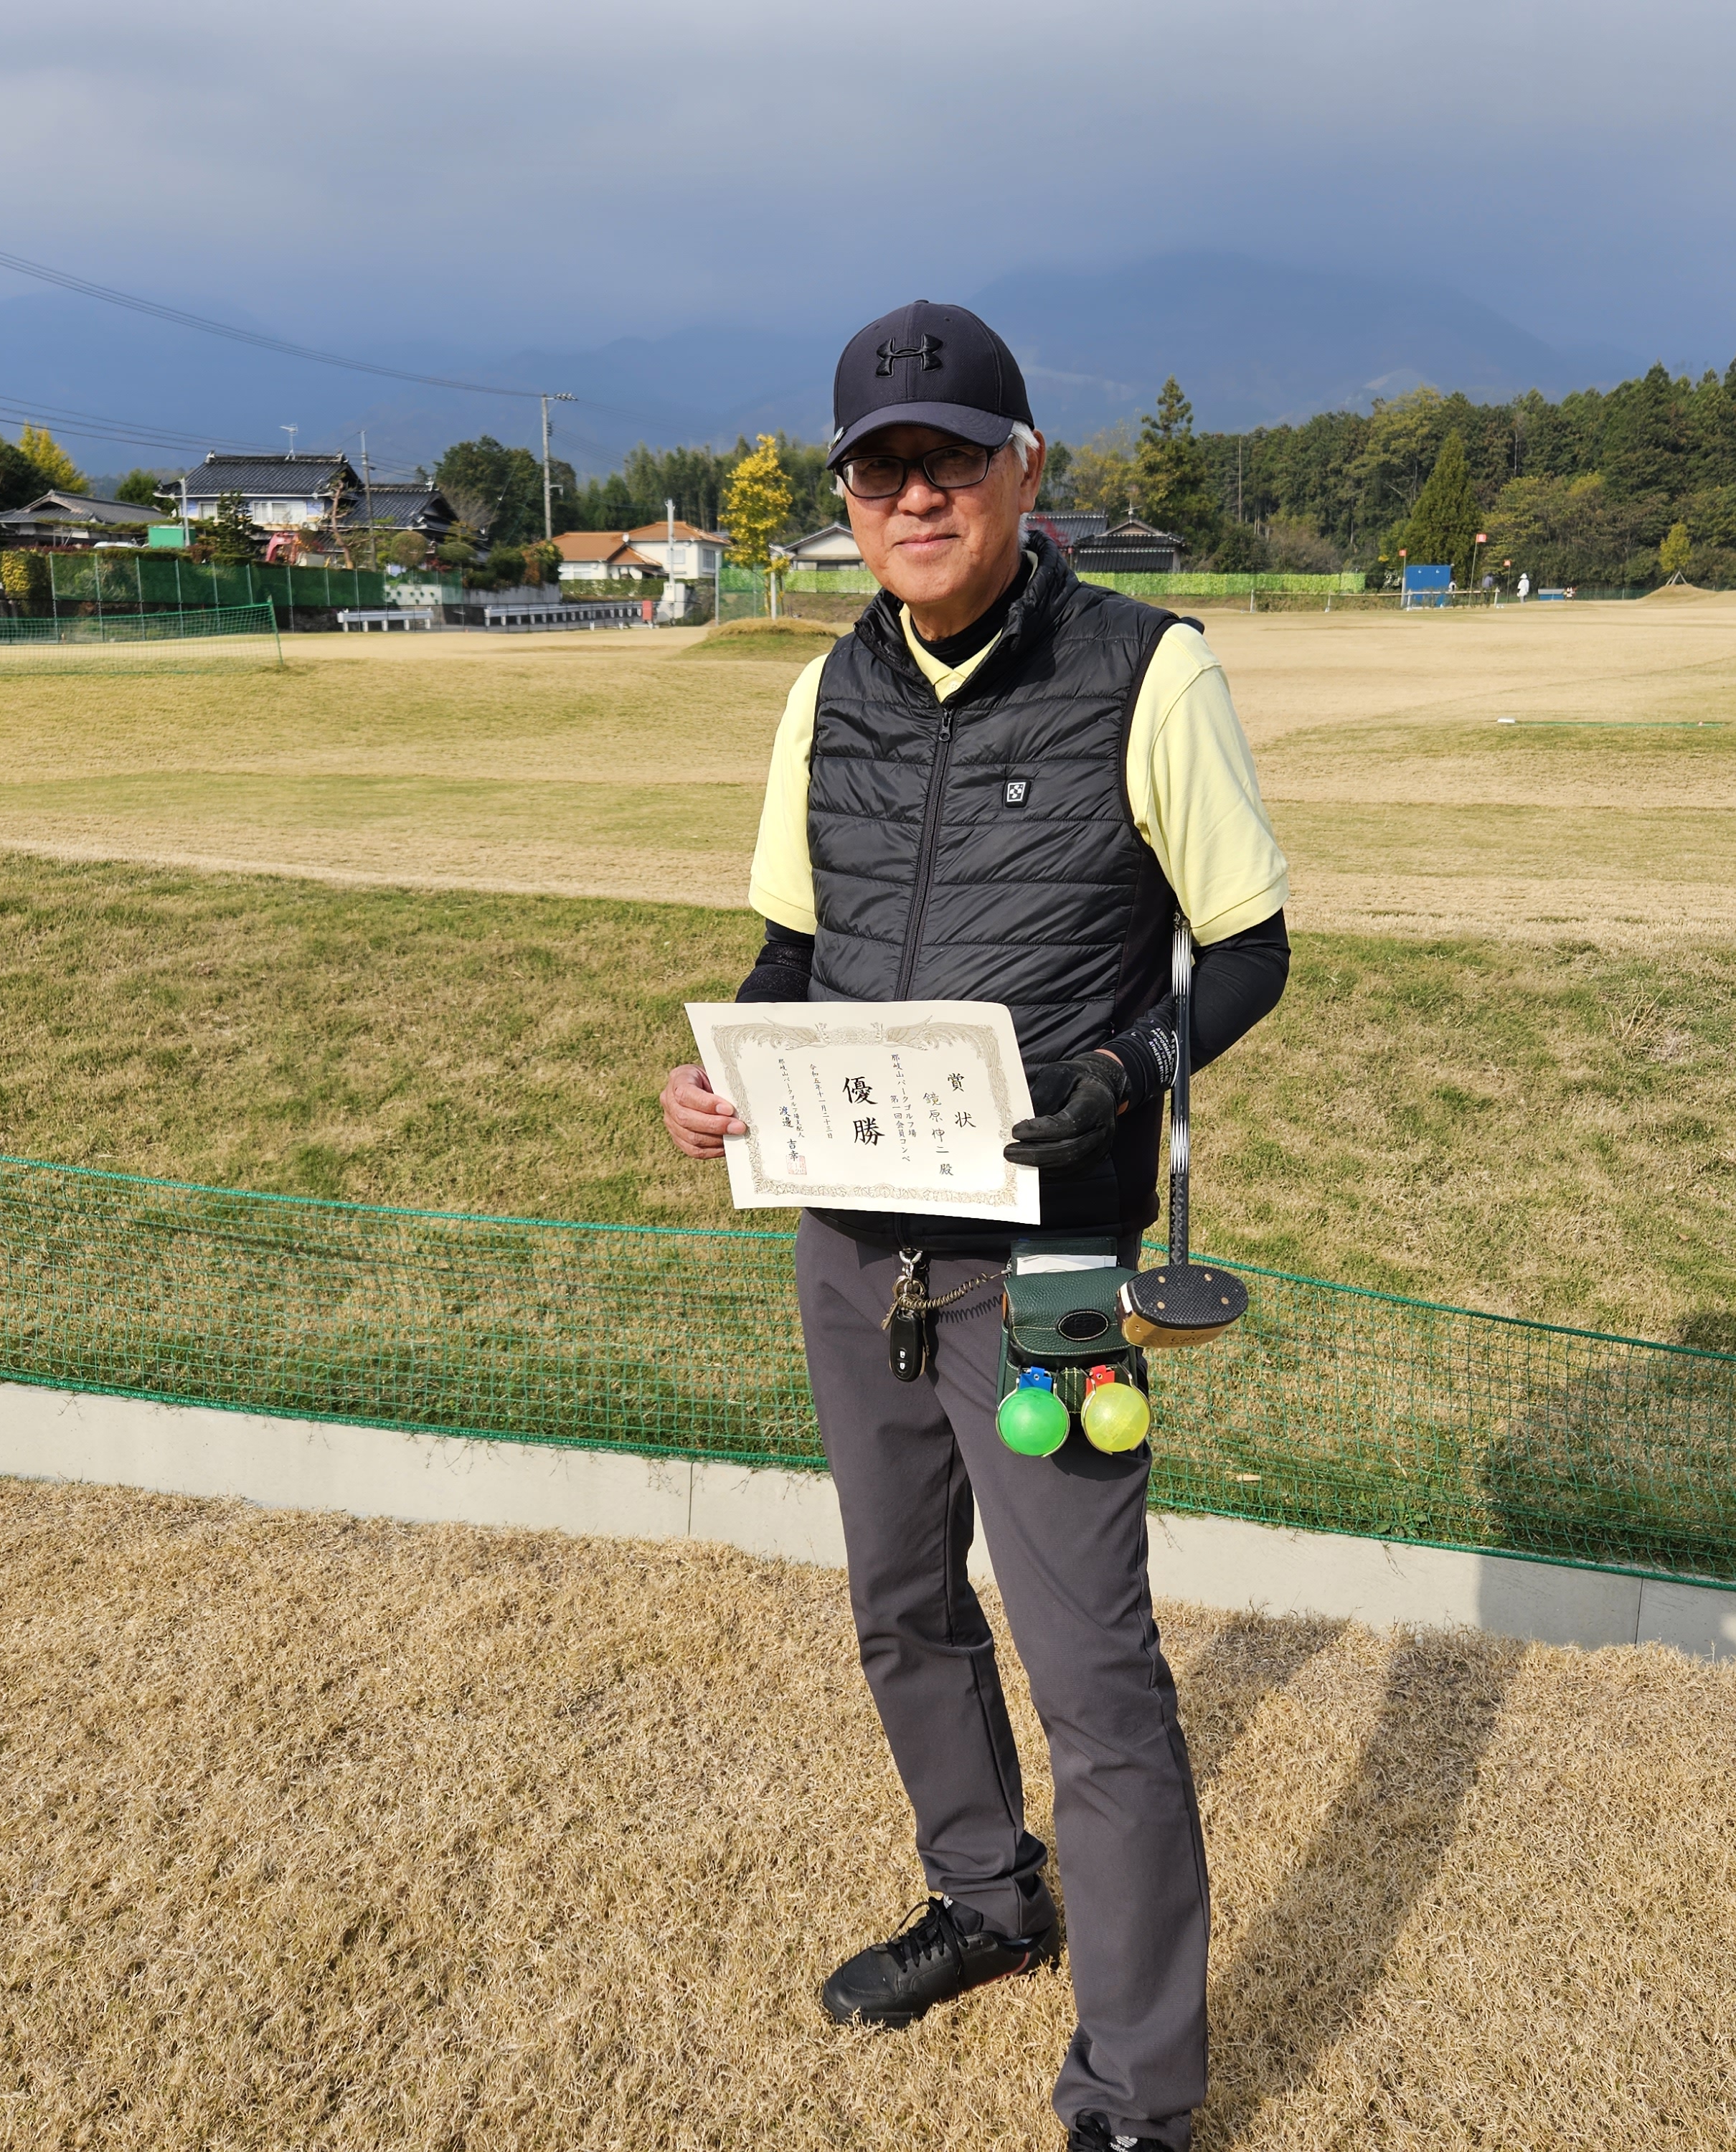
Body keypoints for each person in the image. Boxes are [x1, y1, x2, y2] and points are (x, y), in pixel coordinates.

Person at [660, 300, 1291, 2152]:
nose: (914, 492)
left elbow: (1251, 948)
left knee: (1093, 1666)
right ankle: (986, 1897)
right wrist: (730, 1067)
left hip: (1053, 1259)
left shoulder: (1146, 671)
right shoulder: (825, 691)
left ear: (1026, 470)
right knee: (899, 1606)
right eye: (881, 467)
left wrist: (1127, 1072)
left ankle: (1142, 2086)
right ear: (846, 502)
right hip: (856, 1243)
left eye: (951, 457)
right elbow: (792, 949)